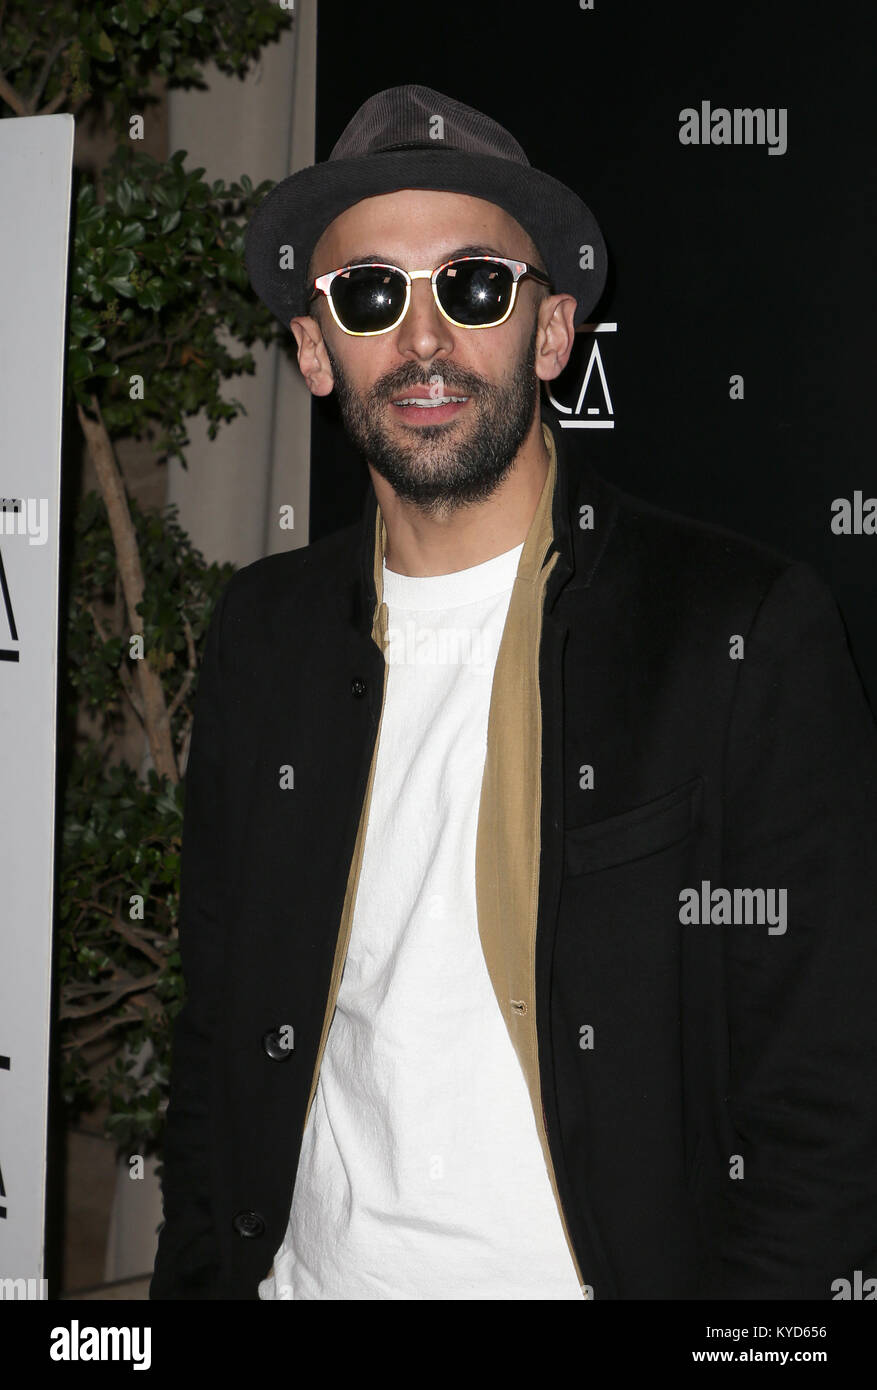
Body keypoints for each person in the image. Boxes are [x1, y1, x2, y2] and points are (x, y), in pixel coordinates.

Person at [150, 84, 877, 1301]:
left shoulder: (735, 632)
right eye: (371, 293)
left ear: (549, 334)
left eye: (475, 285)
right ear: (314, 350)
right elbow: (217, 1035)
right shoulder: (261, 637)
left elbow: (827, 1096)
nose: (424, 339)